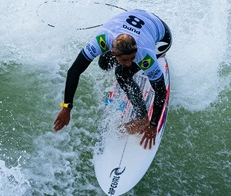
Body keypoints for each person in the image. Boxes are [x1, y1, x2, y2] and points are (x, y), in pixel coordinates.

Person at [53, 8, 172, 149]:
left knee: (122, 73)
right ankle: (137, 62)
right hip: (141, 19)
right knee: (103, 64)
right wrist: (67, 107)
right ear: (113, 52)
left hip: (163, 37)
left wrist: (153, 124)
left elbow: (160, 90)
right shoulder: (102, 39)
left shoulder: (144, 52)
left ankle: (141, 117)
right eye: (125, 59)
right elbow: (74, 71)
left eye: (132, 59)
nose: (129, 63)